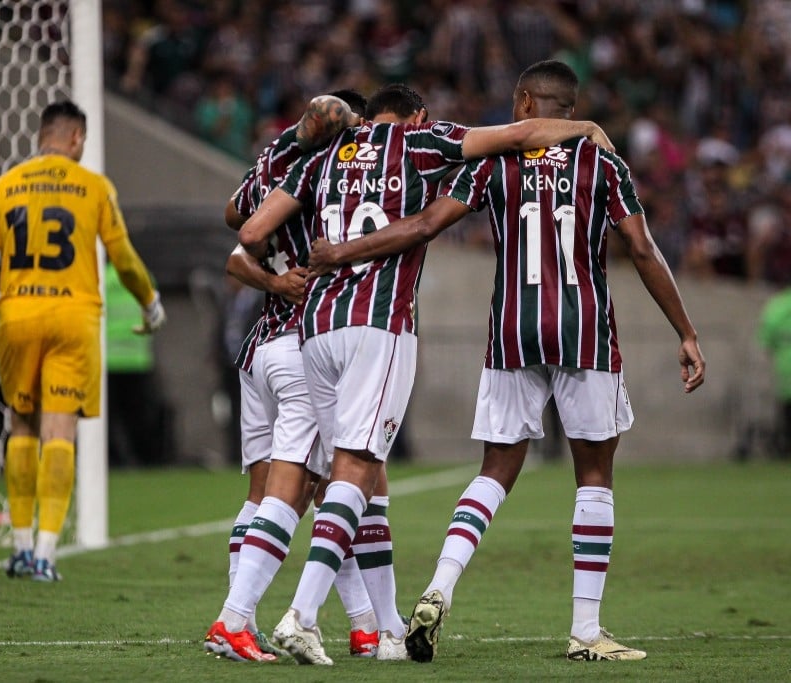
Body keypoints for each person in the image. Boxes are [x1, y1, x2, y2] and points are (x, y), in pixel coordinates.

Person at [307, 60, 706, 663]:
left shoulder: (493, 162)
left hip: (512, 332)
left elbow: (422, 225)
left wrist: (343, 251)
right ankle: (586, 630)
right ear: (571, 109)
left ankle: (438, 588)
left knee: (495, 470)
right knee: (593, 475)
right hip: (584, 330)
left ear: (524, 102)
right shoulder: (602, 161)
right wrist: (686, 331)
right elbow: (643, 248)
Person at [240, 81, 616, 666]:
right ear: (416, 116)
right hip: (378, 324)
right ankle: (301, 615)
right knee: (358, 470)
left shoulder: (321, 156)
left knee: (339, 473)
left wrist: (289, 268)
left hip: (312, 325)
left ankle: (372, 624)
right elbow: (516, 137)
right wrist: (583, 128)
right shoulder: (420, 143)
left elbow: (250, 233)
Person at [0, 100, 166, 581]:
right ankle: (47, 553)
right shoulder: (93, 187)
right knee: (59, 434)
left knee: (21, 426)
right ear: (76, 140)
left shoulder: (3, 188)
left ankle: (20, 547)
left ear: (41, 136)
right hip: (73, 318)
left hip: (18, 314)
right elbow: (124, 258)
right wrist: (150, 302)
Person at [204, 90, 382, 662]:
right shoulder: (321, 175)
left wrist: (273, 282)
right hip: (300, 349)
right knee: (329, 490)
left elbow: (236, 237)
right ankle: (238, 622)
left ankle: (263, 620)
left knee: (263, 495)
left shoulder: (268, 167)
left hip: (259, 353)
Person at [103, 262, 174, 467]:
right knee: (139, 416)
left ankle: (115, 460)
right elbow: (153, 310)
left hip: (109, 359)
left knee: (109, 418)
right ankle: (145, 459)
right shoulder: (144, 274)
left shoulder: (100, 277)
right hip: (137, 357)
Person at [758, 286, 791, 459]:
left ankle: (785, 451)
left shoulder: (777, 306)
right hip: (785, 372)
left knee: (787, 416)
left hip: (785, 371)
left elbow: (765, 340)